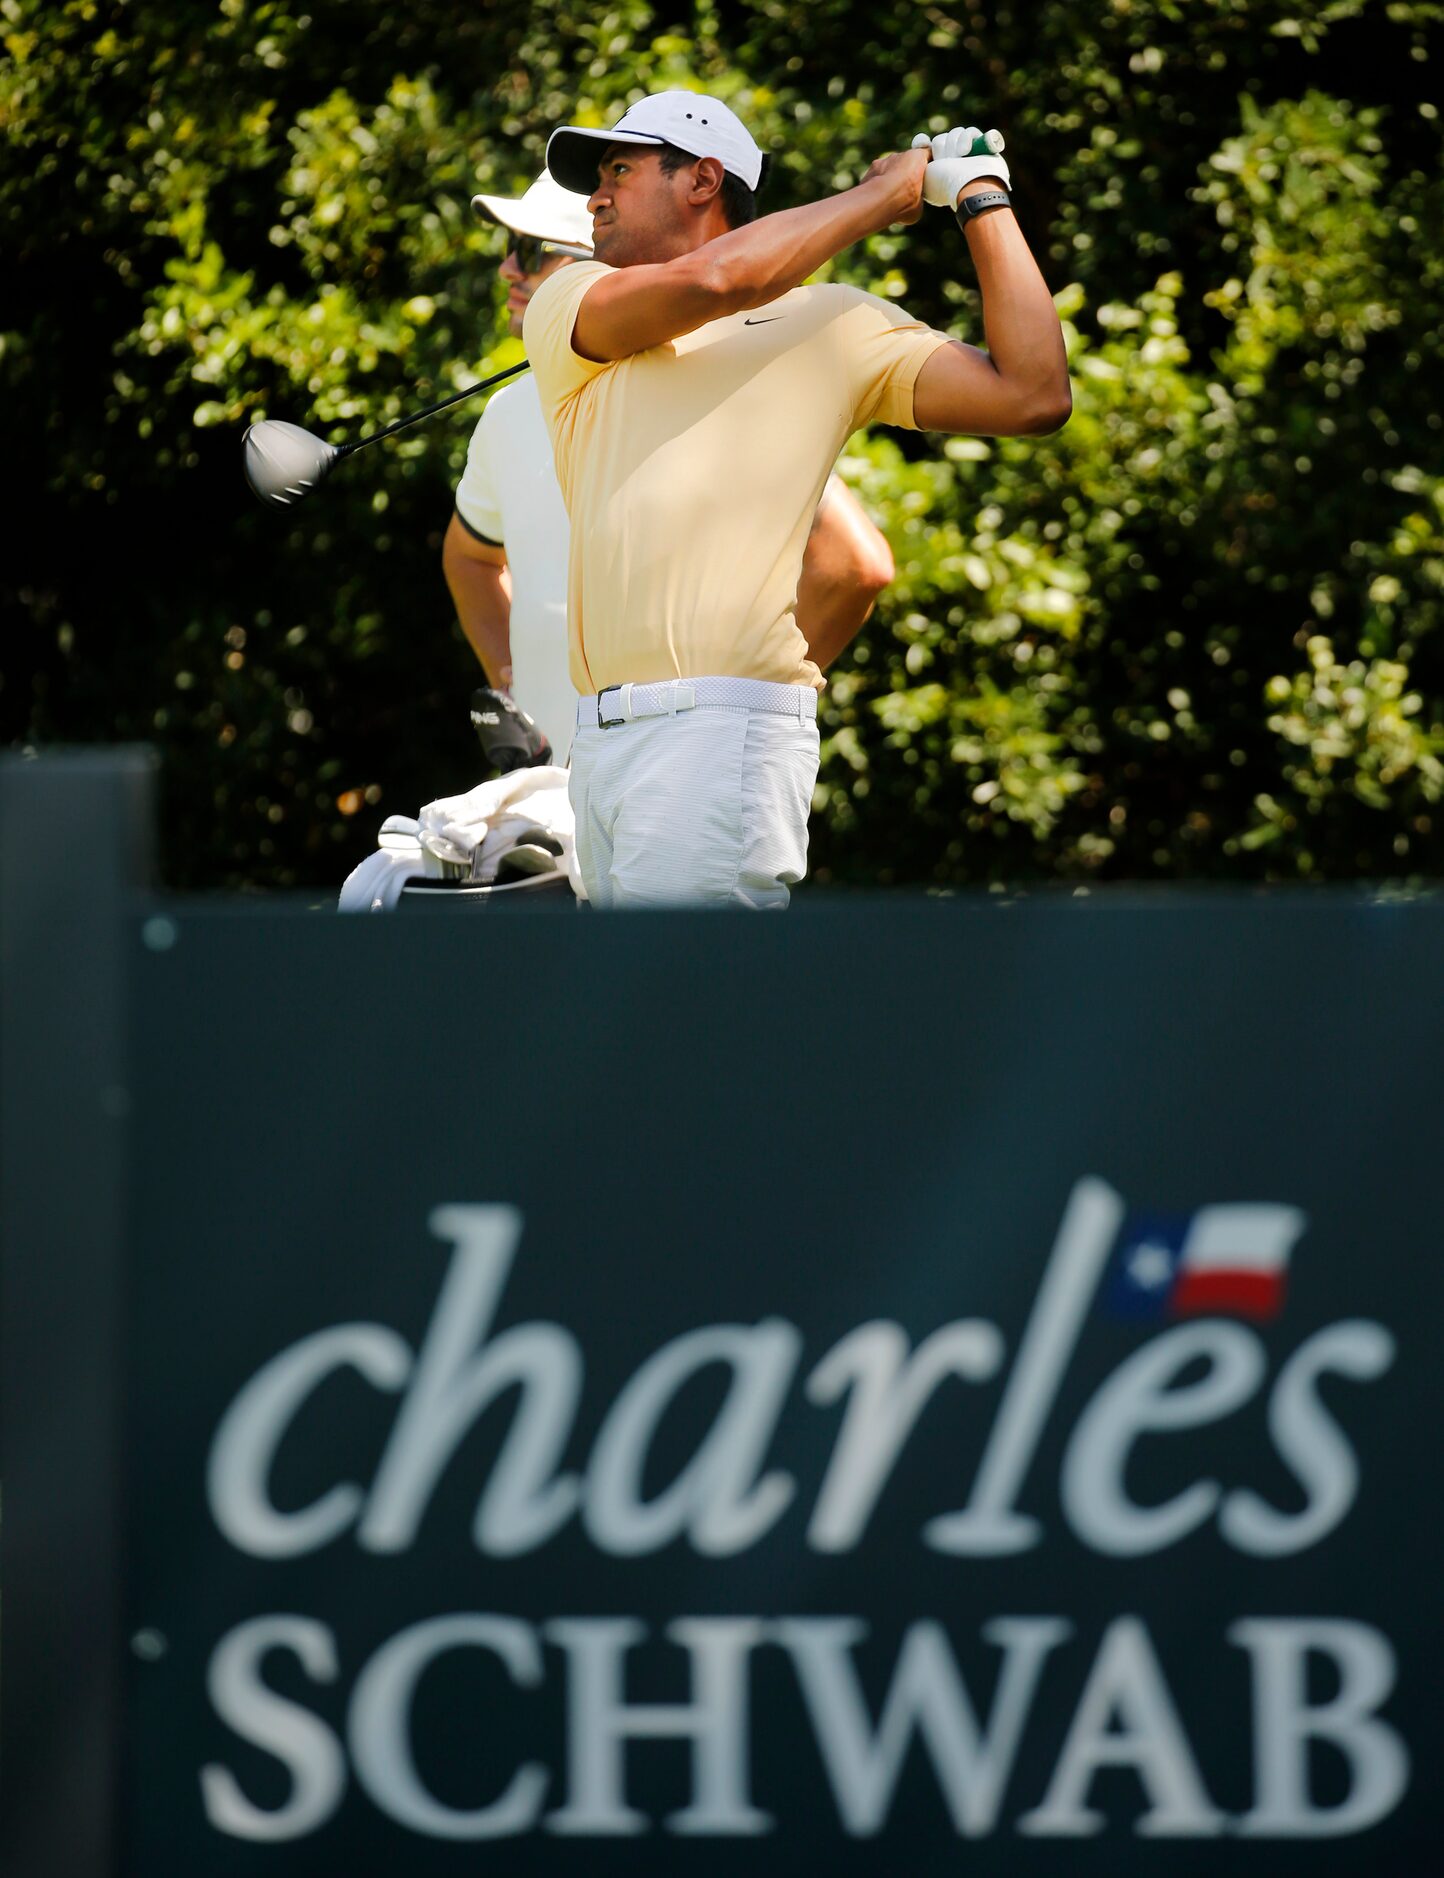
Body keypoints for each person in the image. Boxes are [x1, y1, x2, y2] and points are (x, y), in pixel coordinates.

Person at [525, 95, 1070, 907]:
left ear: (703, 179)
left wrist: (980, 196)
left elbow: (1032, 394)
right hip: (600, 745)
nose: (595, 197)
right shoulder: (568, 302)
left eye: (619, 170)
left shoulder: (833, 325)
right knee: (650, 1024)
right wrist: (883, 197)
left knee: (685, 1017)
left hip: (713, 738)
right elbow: (722, 276)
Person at [444, 166, 895, 767]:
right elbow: (469, 558)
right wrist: (511, 682)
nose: (508, 269)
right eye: (509, 250)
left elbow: (855, 564)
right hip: (550, 791)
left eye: (529, 252)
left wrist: (728, 711)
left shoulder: (706, 387)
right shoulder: (507, 411)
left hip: (673, 776)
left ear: (601, 264)